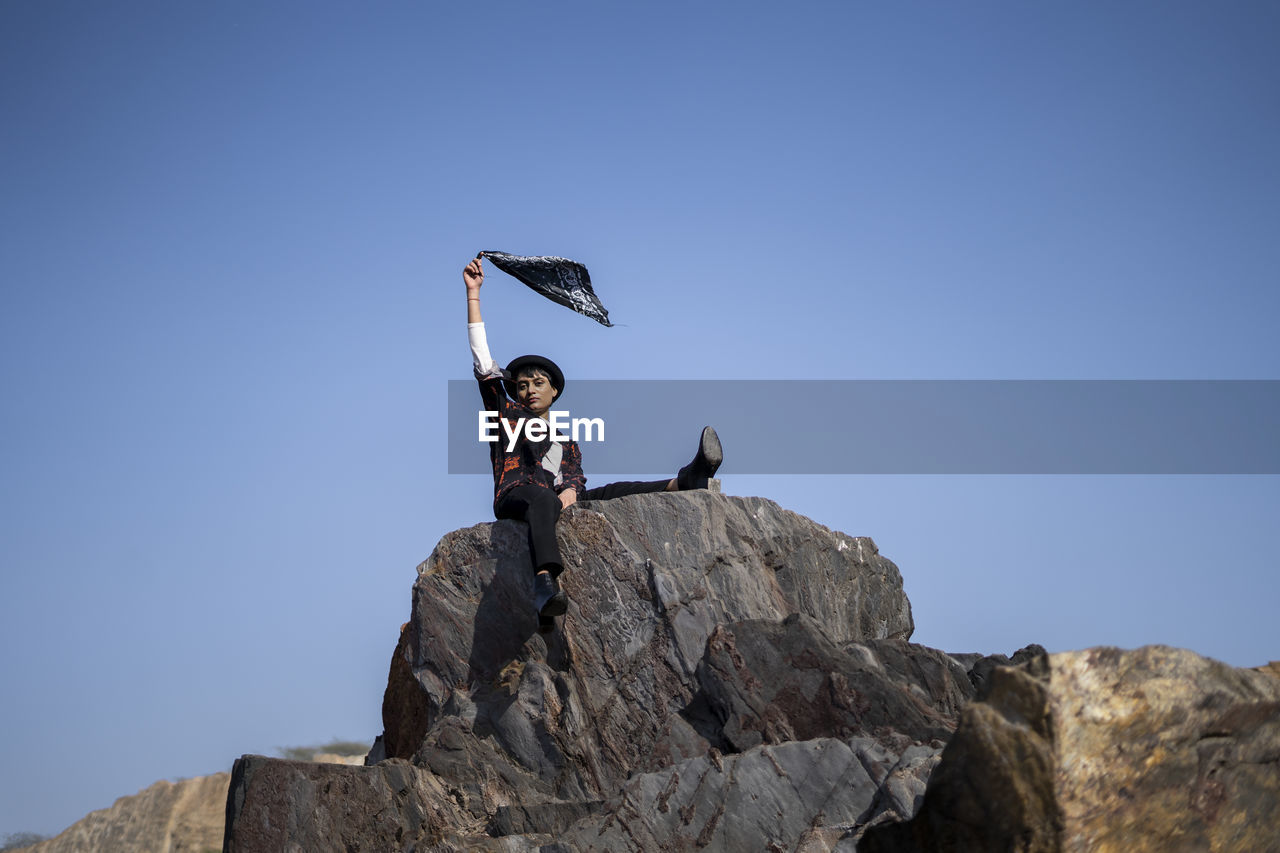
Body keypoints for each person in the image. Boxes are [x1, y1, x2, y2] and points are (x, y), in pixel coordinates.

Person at [463, 256, 722, 629]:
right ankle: (545, 584)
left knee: (615, 490)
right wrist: (474, 294)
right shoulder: (507, 417)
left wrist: (570, 492)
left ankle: (687, 480)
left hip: (557, 498)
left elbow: (575, 478)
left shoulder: (567, 442)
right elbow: (484, 365)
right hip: (518, 494)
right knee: (541, 498)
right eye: (522, 385)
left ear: (554, 391)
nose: (529, 390)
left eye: (538, 383)